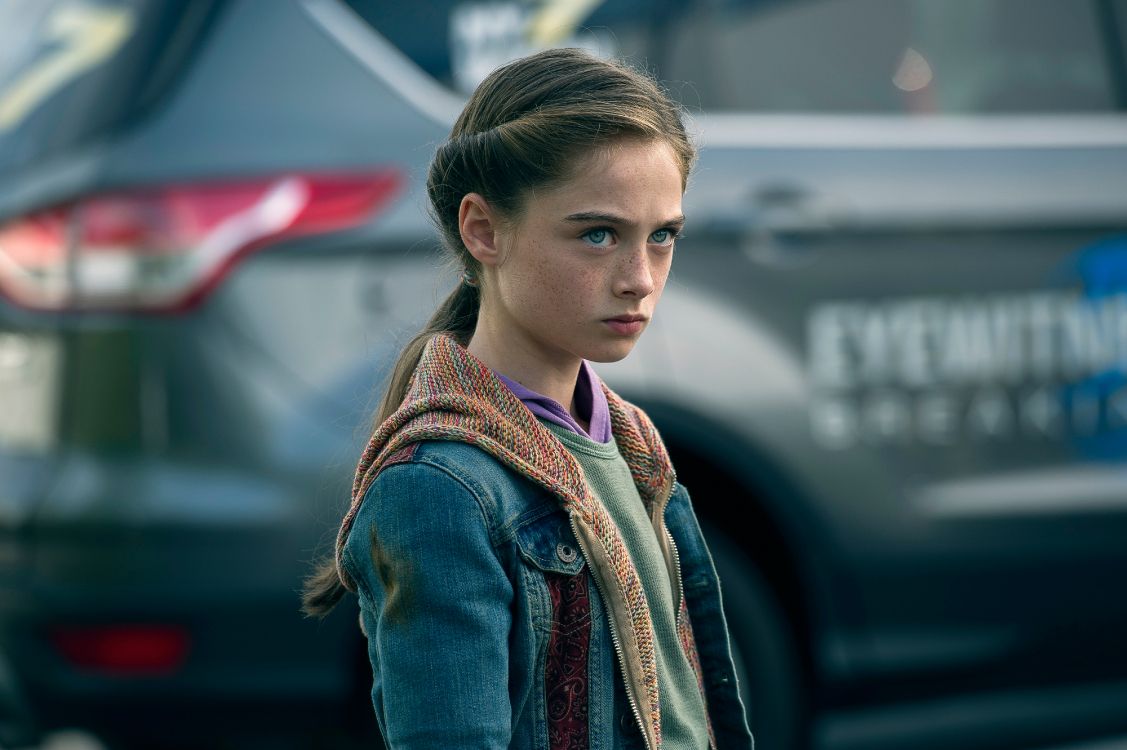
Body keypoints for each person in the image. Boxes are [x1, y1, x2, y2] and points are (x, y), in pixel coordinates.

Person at [302, 47, 753, 750]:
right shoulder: (436, 488)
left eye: (661, 236)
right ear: (482, 229)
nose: (638, 277)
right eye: (597, 234)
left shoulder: (631, 442)